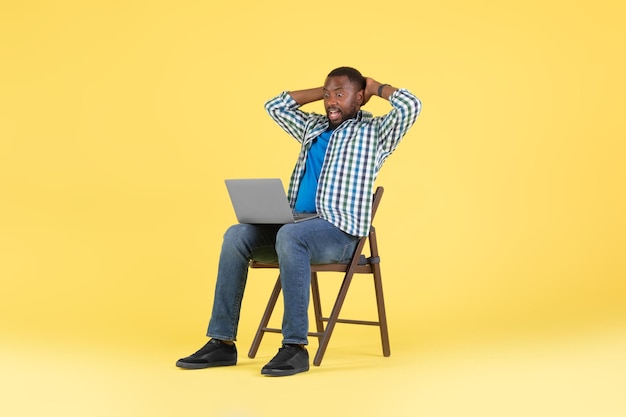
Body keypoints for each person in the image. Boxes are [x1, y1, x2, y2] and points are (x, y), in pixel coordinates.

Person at [176, 66, 421, 376]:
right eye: (328, 95)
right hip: (295, 226)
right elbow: (274, 106)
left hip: (338, 235)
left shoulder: (375, 133)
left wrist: (375, 86)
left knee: (291, 237)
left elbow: (412, 105)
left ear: (360, 98)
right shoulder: (312, 127)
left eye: (341, 95)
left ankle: (294, 348)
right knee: (236, 234)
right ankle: (222, 343)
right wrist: (328, 94)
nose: (331, 102)